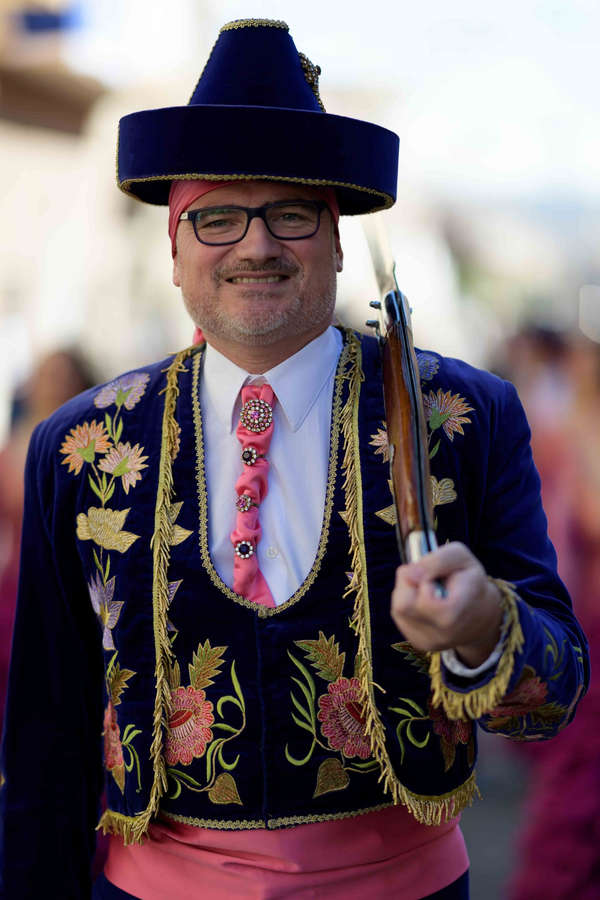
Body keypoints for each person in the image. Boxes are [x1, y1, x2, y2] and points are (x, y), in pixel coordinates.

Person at [0, 19, 588, 900]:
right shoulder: (80, 445)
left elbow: (559, 688)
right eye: (217, 217)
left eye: (291, 213)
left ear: (338, 238)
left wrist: (483, 630)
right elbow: (48, 745)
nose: (256, 245)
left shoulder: (465, 417)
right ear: (173, 248)